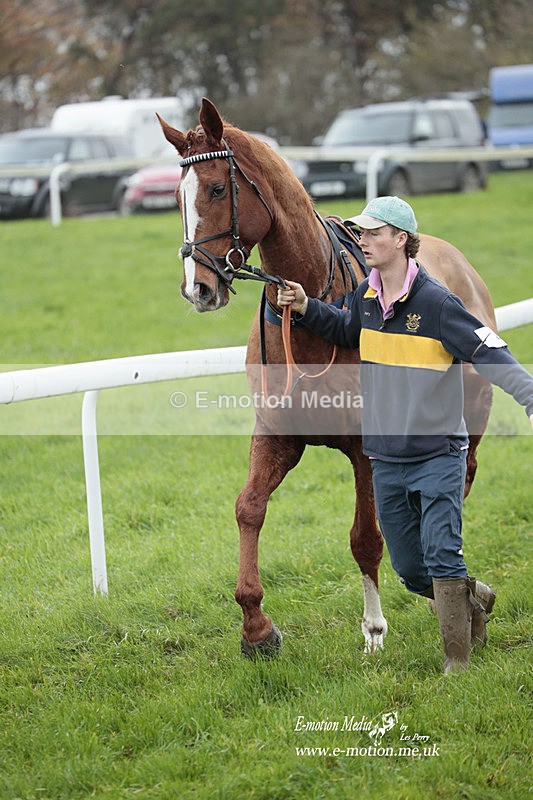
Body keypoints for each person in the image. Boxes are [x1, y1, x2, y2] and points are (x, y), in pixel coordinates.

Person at [277, 195, 533, 674]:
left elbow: (488, 350)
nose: (363, 240)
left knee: (440, 555)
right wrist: (307, 305)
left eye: (374, 233)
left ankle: (457, 667)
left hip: (439, 454)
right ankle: (473, 596)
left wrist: (529, 395)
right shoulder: (367, 299)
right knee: (412, 570)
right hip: (385, 459)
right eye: (361, 232)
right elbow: (344, 326)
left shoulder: (437, 303)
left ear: (401, 240)